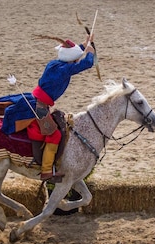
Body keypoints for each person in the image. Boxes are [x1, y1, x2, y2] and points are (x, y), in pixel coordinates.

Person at [26, 34, 95, 181]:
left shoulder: (55, 63)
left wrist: (85, 44)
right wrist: (90, 53)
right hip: (40, 107)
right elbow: (86, 64)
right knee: (54, 135)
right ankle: (46, 172)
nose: (76, 59)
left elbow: (73, 55)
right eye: (75, 57)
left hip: (38, 101)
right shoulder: (64, 70)